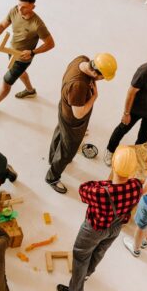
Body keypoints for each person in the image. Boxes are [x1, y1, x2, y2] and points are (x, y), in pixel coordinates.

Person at [57, 147, 143, 291]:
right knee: (99, 251)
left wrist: (105, 183)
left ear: (113, 166)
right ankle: (88, 273)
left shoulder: (101, 192)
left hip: (94, 228)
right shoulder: (136, 186)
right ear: (132, 170)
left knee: (81, 254)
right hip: (116, 228)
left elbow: (83, 190)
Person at [46, 53, 118, 194]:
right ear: (95, 73)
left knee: (60, 132)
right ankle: (52, 177)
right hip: (73, 121)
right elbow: (78, 113)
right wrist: (94, 97)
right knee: (68, 149)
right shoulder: (78, 86)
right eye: (102, 77)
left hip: (64, 108)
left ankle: (52, 158)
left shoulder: (81, 59)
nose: (101, 80)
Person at [0, 0, 55, 115]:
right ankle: (30, 91)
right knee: (21, 73)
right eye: (19, 5)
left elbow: (50, 44)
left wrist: (32, 52)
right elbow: (2, 25)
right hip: (11, 50)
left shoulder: (38, 24)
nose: (20, 9)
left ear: (33, 6)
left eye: (24, 7)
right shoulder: (14, 10)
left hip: (23, 58)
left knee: (7, 80)